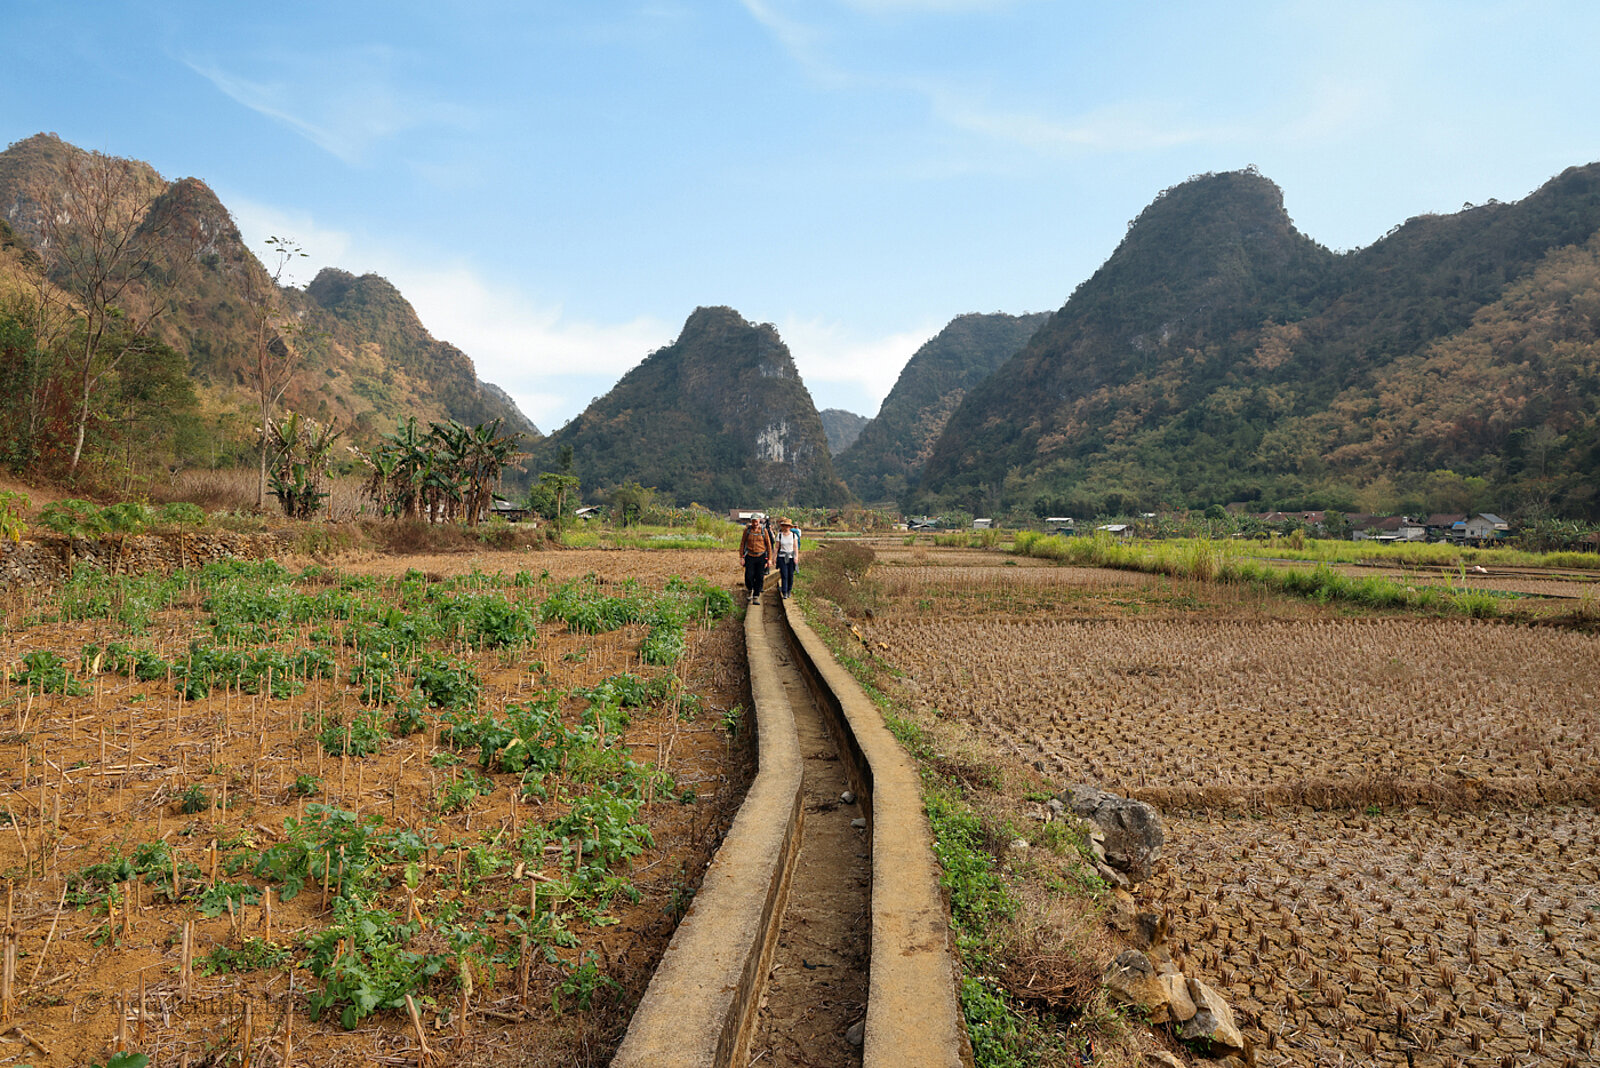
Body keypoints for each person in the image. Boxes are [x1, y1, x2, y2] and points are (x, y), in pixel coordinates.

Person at [739, 513, 773, 605]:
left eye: (756, 521)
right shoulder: (747, 530)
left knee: (759, 577)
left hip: (761, 556)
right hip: (750, 556)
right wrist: (741, 557)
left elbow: (769, 546)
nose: (755, 523)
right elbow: (742, 544)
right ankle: (750, 589)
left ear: (759, 521)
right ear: (751, 521)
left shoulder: (763, 530)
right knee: (748, 576)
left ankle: (756, 596)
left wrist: (769, 559)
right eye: (753, 521)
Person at [774, 516, 800, 599]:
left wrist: (796, 557)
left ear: (790, 527)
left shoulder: (793, 536)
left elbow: (795, 547)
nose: (786, 527)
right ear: (783, 526)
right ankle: (784, 592)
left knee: (790, 575)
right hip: (782, 557)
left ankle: (789, 590)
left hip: (791, 557)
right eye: (785, 526)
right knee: (784, 574)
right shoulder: (779, 535)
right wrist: (774, 557)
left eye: (788, 526)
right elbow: (776, 547)